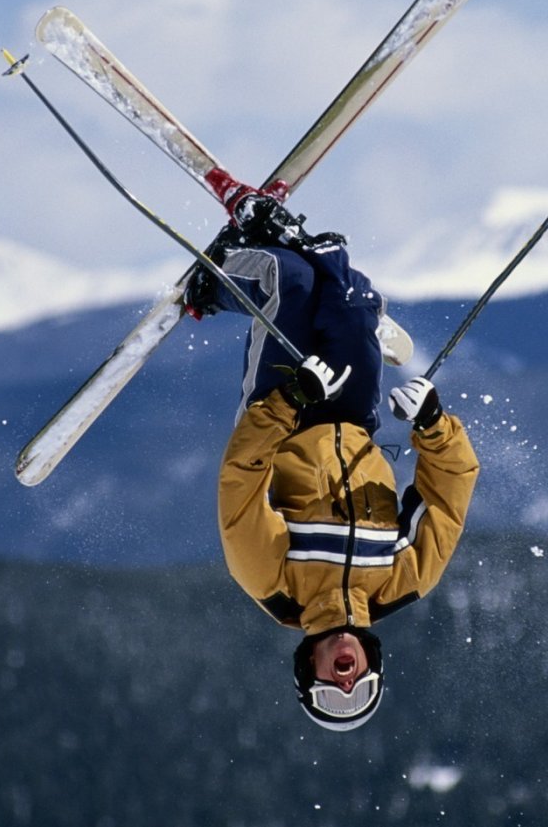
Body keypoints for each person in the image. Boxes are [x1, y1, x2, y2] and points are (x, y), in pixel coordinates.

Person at [185, 183, 480, 732]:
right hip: (352, 415)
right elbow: (451, 493)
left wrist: (290, 399)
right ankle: (337, 283)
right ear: (373, 664)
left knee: (289, 281)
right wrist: (434, 426)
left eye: (334, 693)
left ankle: (216, 281)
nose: (346, 681)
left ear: (308, 671)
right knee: (353, 298)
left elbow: (240, 480)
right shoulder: (402, 580)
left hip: (283, 412)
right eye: (361, 687)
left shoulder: (272, 583)